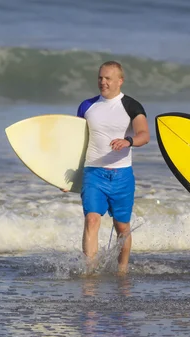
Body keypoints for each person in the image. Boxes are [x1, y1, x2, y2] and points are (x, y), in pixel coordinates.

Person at [74, 60, 150, 274]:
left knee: (122, 227)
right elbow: (76, 142)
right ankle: (90, 271)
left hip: (121, 175)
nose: (103, 82)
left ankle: (122, 270)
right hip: (93, 172)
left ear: (120, 81)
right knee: (91, 218)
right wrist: (65, 177)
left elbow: (144, 135)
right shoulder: (87, 106)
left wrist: (129, 141)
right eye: (100, 77)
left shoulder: (132, 106)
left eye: (108, 78)